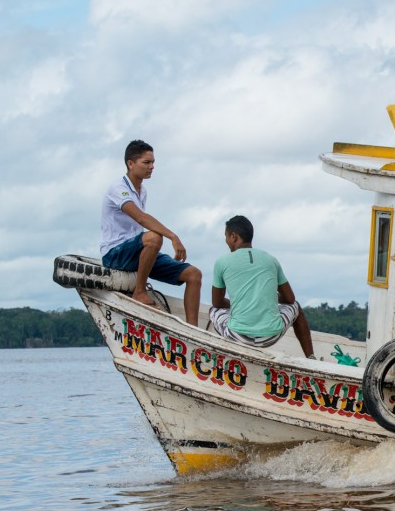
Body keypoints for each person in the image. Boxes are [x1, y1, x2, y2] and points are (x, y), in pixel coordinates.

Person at [99, 139, 202, 325]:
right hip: (115, 253)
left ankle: (193, 330)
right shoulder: (118, 188)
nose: (152, 167)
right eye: (146, 162)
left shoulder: (142, 191)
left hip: (137, 250)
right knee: (154, 237)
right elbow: (141, 218)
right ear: (131, 164)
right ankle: (139, 292)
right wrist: (173, 236)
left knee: (194, 275)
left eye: (153, 162)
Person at [209, 215, 315, 357]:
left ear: (233, 236)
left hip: (237, 336)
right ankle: (310, 358)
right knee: (296, 307)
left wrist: (238, 304)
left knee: (214, 310)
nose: (226, 241)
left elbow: (217, 302)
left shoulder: (222, 262)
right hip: (269, 337)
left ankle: (228, 355)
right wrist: (268, 297)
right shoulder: (271, 259)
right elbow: (290, 299)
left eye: (226, 236)